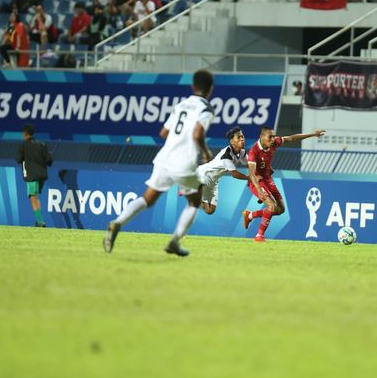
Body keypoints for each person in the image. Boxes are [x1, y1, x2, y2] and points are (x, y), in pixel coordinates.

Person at [103, 70, 216, 257]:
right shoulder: (206, 108)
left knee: (147, 199)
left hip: (165, 159)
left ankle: (118, 222)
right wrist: (206, 152)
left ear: (192, 86)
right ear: (210, 89)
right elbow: (197, 134)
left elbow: (163, 133)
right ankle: (174, 241)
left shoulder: (181, 105)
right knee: (195, 201)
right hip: (184, 161)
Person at [242, 127, 325, 242]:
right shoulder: (254, 151)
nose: (273, 139)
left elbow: (292, 138)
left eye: (273, 136)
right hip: (256, 181)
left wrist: (313, 134)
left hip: (268, 179)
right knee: (271, 206)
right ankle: (259, 236)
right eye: (269, 137)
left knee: (280, 209)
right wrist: (260, 191)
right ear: (261, 137)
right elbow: (251, 174)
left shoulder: (275, 142)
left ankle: (250, 215)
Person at [196, 126, 248, 215]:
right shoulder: (226, 155)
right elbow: (234, 174)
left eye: (242, 136)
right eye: (238, 137)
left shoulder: (242, 152)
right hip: (204, 176)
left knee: (210, 211)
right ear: (232, 141)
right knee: (197, 197)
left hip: (214, 181)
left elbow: (249, 164)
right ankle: (192, 191)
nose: (242, 139)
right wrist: (249, 178)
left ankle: (195, 195)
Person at [16, 123, 53, 228]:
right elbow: (49, 160)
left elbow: (18, 159)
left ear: (25, 134)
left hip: (31, 175)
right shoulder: (42, 144)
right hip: (42, 175)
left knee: (33, 198)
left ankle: (41, 222)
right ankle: (39, 220)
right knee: (36, 198)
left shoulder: (23, 145)